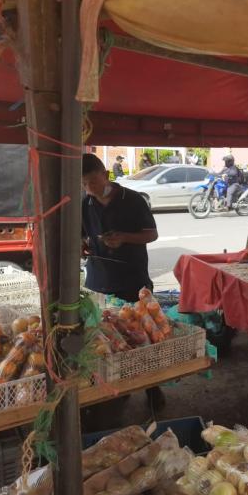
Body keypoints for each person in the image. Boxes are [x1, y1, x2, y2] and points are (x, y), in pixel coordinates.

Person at [81, 153, 164, 409]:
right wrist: (83, 245)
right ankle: (116, 390)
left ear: (105, 175)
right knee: (107, 342)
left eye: (93, 181)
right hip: (99, 281)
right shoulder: (86, 204)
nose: (90, 188)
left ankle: (153, 389)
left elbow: (152, 234)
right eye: (85, 184)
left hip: (133, 281)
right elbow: (81, 236)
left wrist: (124, 238)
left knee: (143, 339)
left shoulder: (133, 199)